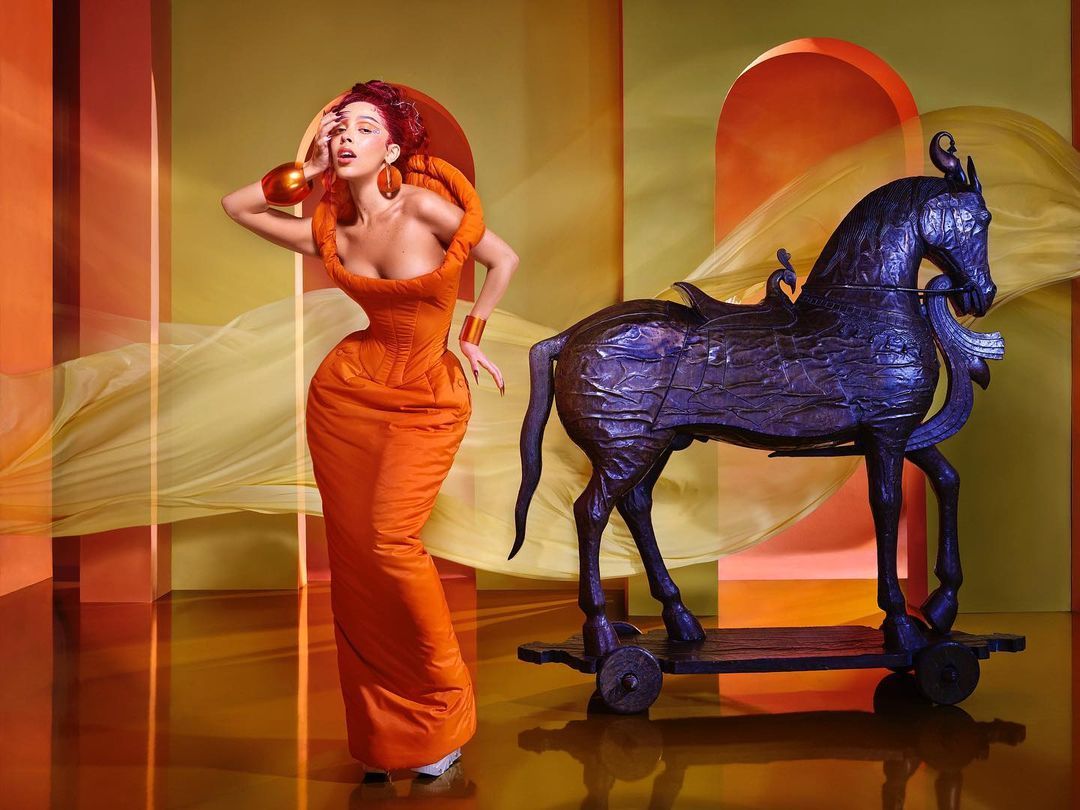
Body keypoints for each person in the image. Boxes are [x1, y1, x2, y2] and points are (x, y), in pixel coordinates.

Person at [220, 80, 519, 781]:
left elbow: (501, 258)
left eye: (362, 127)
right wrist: (312, 171)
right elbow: (238, 206)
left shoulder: (424, 205)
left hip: (427, 398)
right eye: (338, 129)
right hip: (346, 398)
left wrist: (472, 334)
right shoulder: (329, 230)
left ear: (391, 149)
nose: (346, 136)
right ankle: (386, 738)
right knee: (355, 562)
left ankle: (442, 713)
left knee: (390, 542)